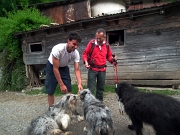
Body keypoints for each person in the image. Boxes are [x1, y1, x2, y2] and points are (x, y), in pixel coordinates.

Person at [45, 32, 83, 107]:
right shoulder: (58, 49)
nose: (76, 47)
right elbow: (55, 69)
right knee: (50, 90)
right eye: (74, 44)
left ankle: (69, 109)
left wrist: (79, 83)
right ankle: (51, 110)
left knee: (68, 89)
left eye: (77, 45)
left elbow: (77, 69)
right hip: (52, 66)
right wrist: (61, 84)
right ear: (68, 41)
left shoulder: (76, 53)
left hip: (64, 67)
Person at [82, 28, 117, 101]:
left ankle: (99, 105)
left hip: (102, 70)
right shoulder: (91, 43)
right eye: (96, 38)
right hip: (92, 69)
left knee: (100, 89)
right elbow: (85, 54)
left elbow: (109, 56)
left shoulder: (107, 45)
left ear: (104, 37)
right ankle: (89, 104)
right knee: (90, 89)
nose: (97, 40)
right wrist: (86, 62)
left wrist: (113, 60)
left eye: (100, 38)